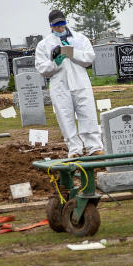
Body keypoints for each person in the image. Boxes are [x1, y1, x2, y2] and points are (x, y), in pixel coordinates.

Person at [35, 9, 104, 158]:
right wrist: (55, 63)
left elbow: (89, 58)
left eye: (62, 24)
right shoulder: (43, 45)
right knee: (65, 117)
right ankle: (75, 149)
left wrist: (72, 53)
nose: (60, 28)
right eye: (56, 25)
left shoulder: (80, 38)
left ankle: (94, 147)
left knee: (88, 114)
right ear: (51, 25)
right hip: (60, 86)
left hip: (80, 82)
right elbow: (42, 68)